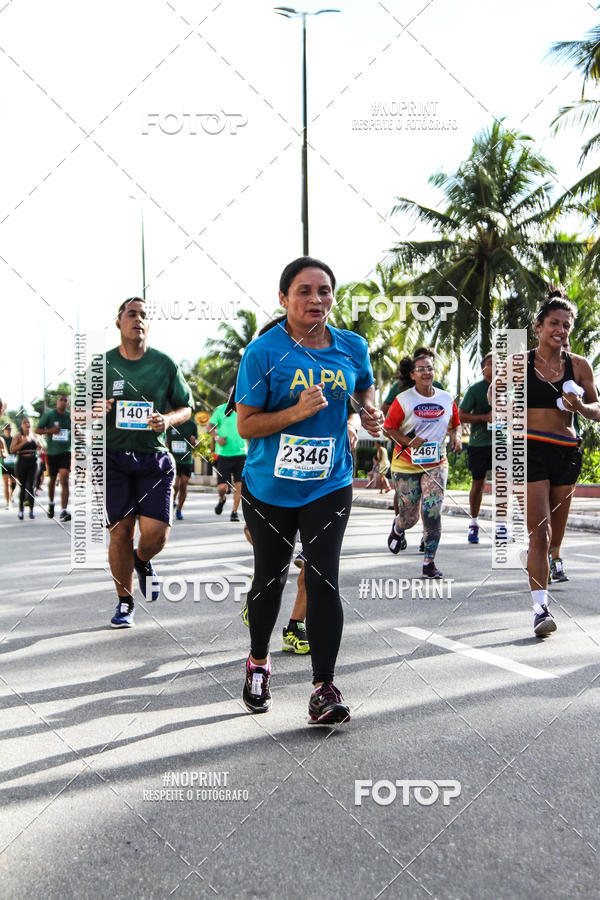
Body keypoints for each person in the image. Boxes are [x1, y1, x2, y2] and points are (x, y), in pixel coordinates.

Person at [235, 256, 383, 724]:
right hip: (270, 488)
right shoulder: (262, 353)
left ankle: (324, 687)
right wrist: (295, 414)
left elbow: (362, 395)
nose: (316, 299)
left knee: (323, 580)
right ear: (283, 299)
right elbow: (246, 425)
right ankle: (258, 660)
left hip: (329, 484)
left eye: (323, 291)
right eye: (304, 291)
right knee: (271, 578)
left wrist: (365, 417)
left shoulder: (353, 347)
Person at [93, 297, 193, 628]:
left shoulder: (164, 364)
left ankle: (143, 559)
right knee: (120, 530)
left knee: (155, 536)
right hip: (114, 459)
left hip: (154, 458)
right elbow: (78, 412)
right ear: (119, 322)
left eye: (144, 316)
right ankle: (125, 602)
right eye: (132, 314)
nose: (138, 319)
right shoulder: (102, 365)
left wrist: (167, 419)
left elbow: (186, 407)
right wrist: (93, 410)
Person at [519, 290, 600, 635]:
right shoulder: (519, 362)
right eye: (554, 323)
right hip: (531, 449)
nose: (561, 330)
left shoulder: (579, 365)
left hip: (567, 451)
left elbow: (598, 409)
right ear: (538, 326)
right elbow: (496, 393)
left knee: (554, 541)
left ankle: (547, 557)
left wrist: (579, 407)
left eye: (566, 326)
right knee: (541, 531)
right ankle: (540, 610)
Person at [384, 353, 462, 577]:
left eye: (430, 368)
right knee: (411, 517)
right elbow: (388, 429)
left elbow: (456, 423)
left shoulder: (446, 398)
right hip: (406, 465)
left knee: (432, 511)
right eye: (421, 369)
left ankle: (429, 562)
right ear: (412, 375)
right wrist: (409, 442)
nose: (426, 372)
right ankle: (399, 527)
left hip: (436, 464)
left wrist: (456, 436)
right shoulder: (404, 400)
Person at [459, 353, 493, 544]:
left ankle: (502, 526)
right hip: (479, 443)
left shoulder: (508, 387)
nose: (494, 367)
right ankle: (474, 523)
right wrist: (483, 418)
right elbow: (461, 415)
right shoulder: (475, 390)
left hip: (503, 442)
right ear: (483, 368)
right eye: (490, 364)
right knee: (478, 483)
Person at [208, 401, 247, 522]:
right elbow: (209, 426)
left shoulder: (245, 408)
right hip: (224, 455)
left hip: (241, 454)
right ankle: (222, 499)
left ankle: (234, 512)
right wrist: (217, 438)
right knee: (222, 487)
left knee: (239, 486)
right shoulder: (220, 409)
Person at [36, 394, 72, 520]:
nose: (62, 402)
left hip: (66, 451)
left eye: (65, 400)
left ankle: (64, 510)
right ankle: (51, 503)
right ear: (57, 402)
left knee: (64, 478)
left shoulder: (69, 416)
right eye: (61, 400)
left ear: (67, 403)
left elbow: (75, 429)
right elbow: (37, 429)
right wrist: (50, 431)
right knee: (52, 480)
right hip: (52, 453)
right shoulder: (50, 415)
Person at [11, 417, 44, 520]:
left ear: (32, 424)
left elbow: (41, 447)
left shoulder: (35, 436)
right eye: (24, 422)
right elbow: (12, 450)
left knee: (32, 486)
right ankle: (21, 510)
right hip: (22, 462)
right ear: (22, 425)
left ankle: (31, 510)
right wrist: (24, 442)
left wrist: (39, 445)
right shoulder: (18, 436)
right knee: (23, 486)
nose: (27, 424)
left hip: (33, 462)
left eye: (29, 422)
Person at [167, 418, 198, 520]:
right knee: (175, 485)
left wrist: (194, 442)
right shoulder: (171, 423)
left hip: (186, 460)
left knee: (183, 485)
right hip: (173, 460)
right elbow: (165, 441)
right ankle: (172, 501)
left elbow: (195, 442)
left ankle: (179, 510)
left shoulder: (192, 424)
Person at [1, 423, 17, 508]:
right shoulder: (1, 439)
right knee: (6, 483)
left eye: (10, 429)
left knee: (14, 482)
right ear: (4, 430)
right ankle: (8, 503)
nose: (8, 431)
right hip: (5, 464)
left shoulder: (15, 439)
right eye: (7, 429)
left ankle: (11, 493)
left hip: (14, 464)